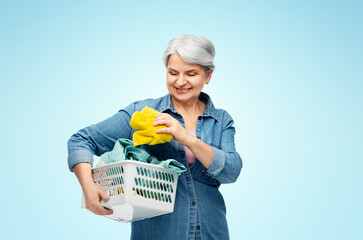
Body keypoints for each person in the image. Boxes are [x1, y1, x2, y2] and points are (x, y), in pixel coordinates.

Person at [67, 35, 243, 240]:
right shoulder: (142, 113)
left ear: (208, 75)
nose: (180, 81)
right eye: (173, 73)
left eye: (191, 73)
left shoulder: (221, 120)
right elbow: (81, 140)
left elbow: (231, 171)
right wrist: (88, 186)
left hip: (211, 232)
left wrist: (186, 138)